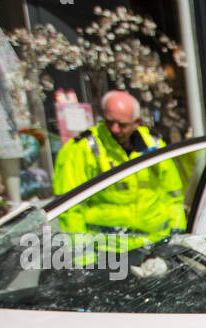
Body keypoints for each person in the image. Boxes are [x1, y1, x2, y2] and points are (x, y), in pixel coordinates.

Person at [52, 91, 186, 241]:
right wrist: (83, 257)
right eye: (110, 122)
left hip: (155, 244)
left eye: (122, 125)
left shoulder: (153, 144)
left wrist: (176, 236)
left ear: (136, 122)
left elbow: (174, 196)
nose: (115, 129)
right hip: (107, 251)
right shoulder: (83, 148)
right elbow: (69, 210)